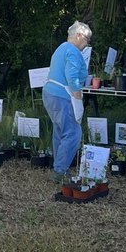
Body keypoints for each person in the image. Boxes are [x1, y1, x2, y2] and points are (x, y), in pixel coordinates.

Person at [43, 21, 91, 176]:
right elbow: (72, 77)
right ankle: (61, 171)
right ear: (78, 35)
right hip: (62, 96)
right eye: (86, 39)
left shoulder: (61, 48)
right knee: (73, 133)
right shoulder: (73, 51)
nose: (87, 43)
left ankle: (59, 166)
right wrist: (78, 98)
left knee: (59, 131)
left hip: (50, 93)